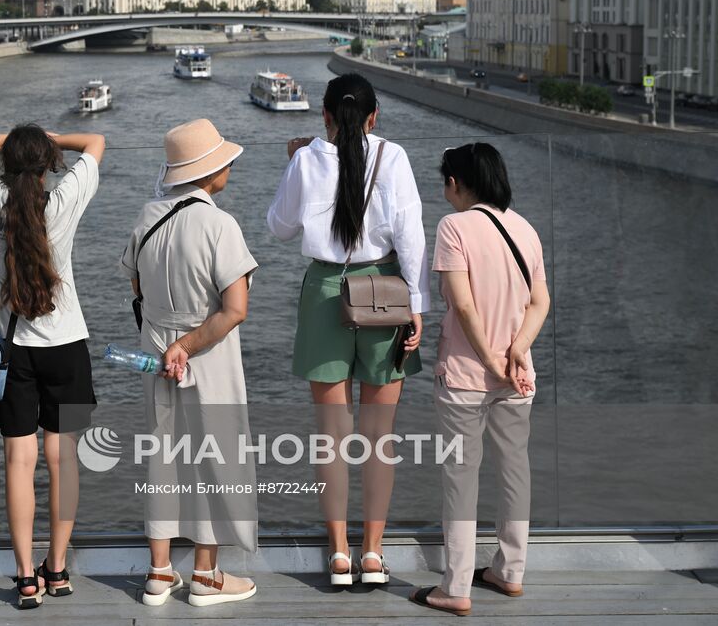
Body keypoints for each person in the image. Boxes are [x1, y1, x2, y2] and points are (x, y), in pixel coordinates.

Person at [267, 72, 429, 589]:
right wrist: (418, 305)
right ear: (375, 117)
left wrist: (295, 161)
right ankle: (374, 554)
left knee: (330, 439)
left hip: (325, 295)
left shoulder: (307, 159)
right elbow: (410, 233)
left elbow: (280, 227)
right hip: (384, 292)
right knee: (380, 439)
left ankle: (339, 554)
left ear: (326, 116)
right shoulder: (395, 157)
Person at [0, 126, 104, 608]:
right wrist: (55, 137)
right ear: (48, 165)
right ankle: (56, 568)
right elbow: (96, 142)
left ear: (5, 164)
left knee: (19, 462)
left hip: (11, 354)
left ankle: (24, 577)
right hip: (69, 350)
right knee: (65, 463)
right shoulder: (64, 202)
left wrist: (3, 141)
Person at [121, 118, 259, 608]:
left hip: (155, 351)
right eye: (225, 161)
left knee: (163, 456)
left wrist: (169, 340)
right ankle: (206, 575)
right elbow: (235, 309)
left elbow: (135, 287)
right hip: (207, 353)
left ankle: (158, 574)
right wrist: (189, 344)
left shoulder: (147, 215)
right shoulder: (220, 225)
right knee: (214, 458)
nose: (230, 166)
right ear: (211, 171)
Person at [410, 143, 550, 616]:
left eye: (444, 181)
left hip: (467, 375)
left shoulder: (454, 226)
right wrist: (515, 351)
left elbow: (463, 304)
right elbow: (540, 302)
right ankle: (510, 571)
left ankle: (456, 586)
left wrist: (489, 360)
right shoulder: (525, 228)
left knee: (460, 478)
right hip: (518, 375)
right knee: (515, 470)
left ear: (456, 182)